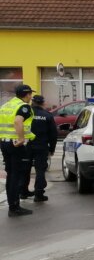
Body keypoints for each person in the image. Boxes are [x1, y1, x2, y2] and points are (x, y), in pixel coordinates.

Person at [0, 84, 37, 216]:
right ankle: (14, 207)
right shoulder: (23, 107)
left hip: (5, 143)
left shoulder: (6, 106)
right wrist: (21, 139)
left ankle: (12, 204)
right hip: (16, 144)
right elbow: (18, 122)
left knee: (11, 175)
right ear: (26, 94)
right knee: (17, 175)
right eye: (30, 94)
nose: (31, 96)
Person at [21, 95, 58, 202]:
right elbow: (53, 134)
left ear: (32, 103)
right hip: (41, 146)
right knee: (40, 170)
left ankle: (23, 192)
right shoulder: (47, 115)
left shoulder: (26, 114)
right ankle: (39, 194)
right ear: (42, 103)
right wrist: (52, 148)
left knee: (25, 169)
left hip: (26, 145)